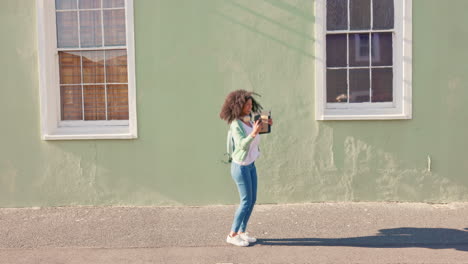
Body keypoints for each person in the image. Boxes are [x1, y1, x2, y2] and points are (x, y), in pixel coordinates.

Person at [219, 90, 273, 247]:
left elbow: (255, 136)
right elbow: (242, 144)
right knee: (245, 201)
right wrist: (254, 133)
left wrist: (265, 127)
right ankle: (232, 234)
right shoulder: (236, 124)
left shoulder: (250, 121)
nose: (249, 107)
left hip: (250, 165)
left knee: (252, 200)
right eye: (246, 105)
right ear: (238, 106)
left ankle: (242, 232)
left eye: (251, 104)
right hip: (240, 167)